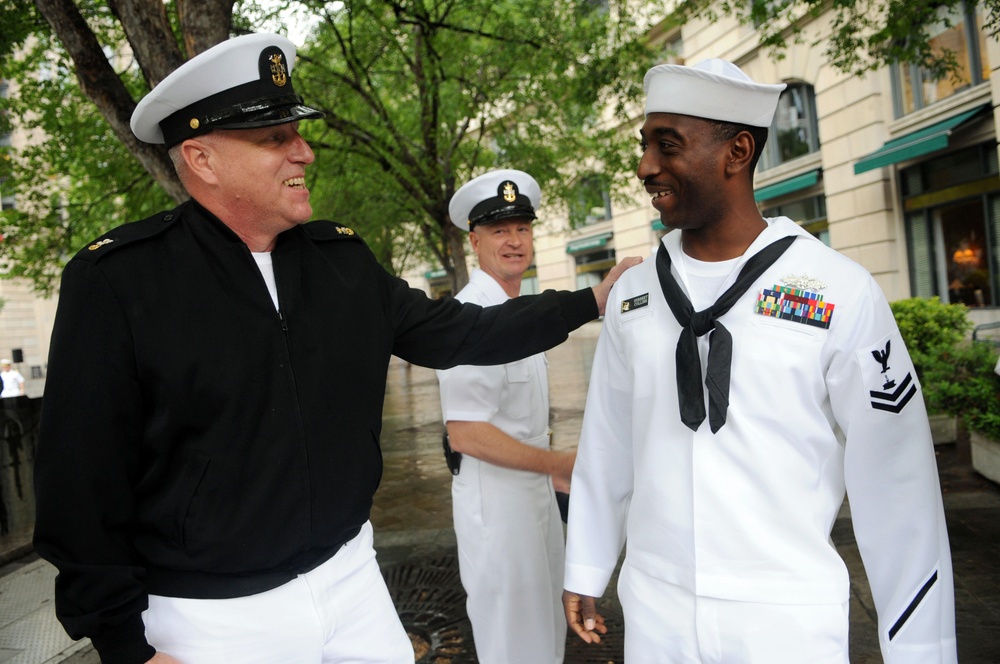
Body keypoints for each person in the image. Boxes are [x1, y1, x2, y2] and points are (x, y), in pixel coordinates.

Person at [31, 33, 638, 664]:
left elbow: (461, 331)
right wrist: (124, 646)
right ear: (201, 158)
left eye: (297, 132)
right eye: (275, 139)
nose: (305, 152)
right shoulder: (120, 281)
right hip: (212, 618)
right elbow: (80, 480)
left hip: (353, 581)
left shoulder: (340, 262)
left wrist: (589, 302)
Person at [562, 58, 957, 663]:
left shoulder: (835, 289)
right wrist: (588, 564)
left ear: (737, 151)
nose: (645, 167)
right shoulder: (635, 294)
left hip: (785, 619)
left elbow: (898, 481)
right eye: (644, 145)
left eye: (667, 145)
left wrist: (920, 647)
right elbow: (607, 441)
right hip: (655, 610)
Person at [436, 169, 573, 664]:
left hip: (533, 498)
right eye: (500, 231)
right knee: (516, 645)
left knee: (545, 633)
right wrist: (558, 464)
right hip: (497, 508)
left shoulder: (515, 312)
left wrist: (552, 479)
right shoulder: (471, 318)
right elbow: (467, 433)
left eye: (522, 228)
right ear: (475, 241)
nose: (515, 241)